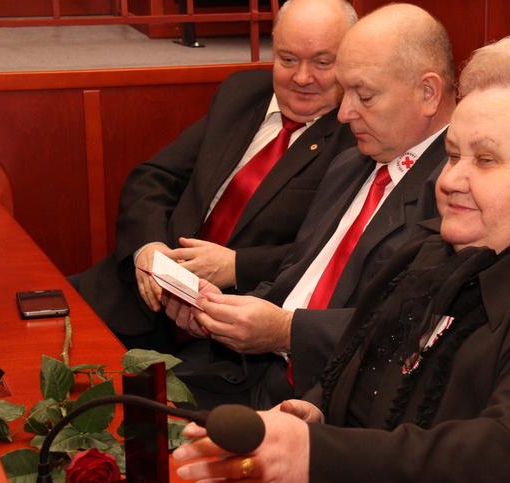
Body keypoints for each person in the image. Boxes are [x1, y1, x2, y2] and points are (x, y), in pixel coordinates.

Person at [170, 37, 510, 483]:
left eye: (486, 160)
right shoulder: (437, 247)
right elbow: (374, 362)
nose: (449, 180)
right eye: (452, 155)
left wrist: (318, 457)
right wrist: (320, 414)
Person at [166, 3, 457, 408]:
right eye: (344, 91)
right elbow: (297, 278)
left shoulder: (454, 191)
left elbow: (411, 327)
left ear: (428, 93)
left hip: (339, 404)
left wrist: (286, 331)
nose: (344, 113)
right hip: (254, 374)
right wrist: (222, 311)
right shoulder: (350, 164)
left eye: (364, 95)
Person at [71, 0, 357, 352]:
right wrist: (148, 248)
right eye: (287, 59)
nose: (301, 77)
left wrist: (237, 266)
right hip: (138, 295)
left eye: (322, 63)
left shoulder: (357, 139)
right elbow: (154, 178)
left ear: (351, 61)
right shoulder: (242, 94)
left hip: (227, 338)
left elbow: (336, 251)